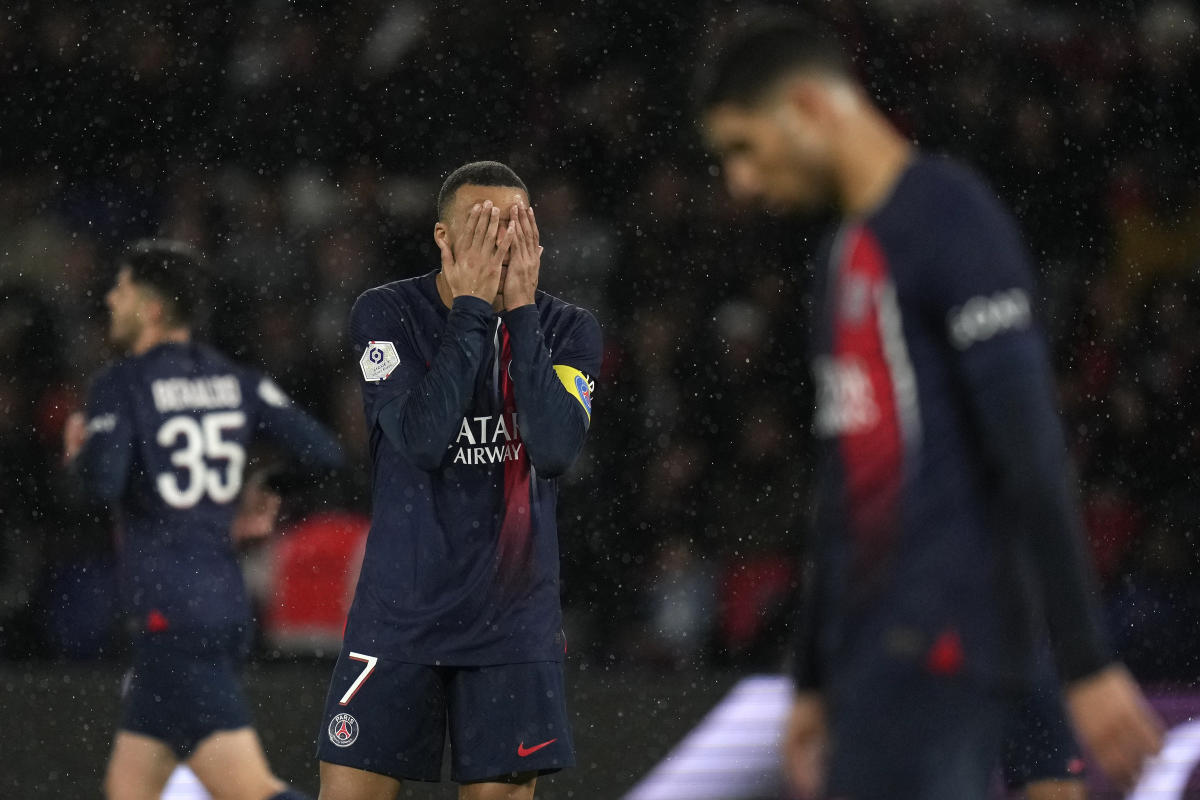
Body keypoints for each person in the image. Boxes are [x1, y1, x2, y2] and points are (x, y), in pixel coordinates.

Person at [695, 13, 1164, 799]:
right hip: (878, 661)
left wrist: (1086, 658)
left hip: (946, 642)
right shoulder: (845, 258)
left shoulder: (952, 220)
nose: (739, 181)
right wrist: (813, 677)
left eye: (744, 148)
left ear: (809, 106)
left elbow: (1032, 451)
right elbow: (844, 493)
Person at [316, 161, 602, 800]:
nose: (501, 244)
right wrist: (472, 310)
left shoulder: (567, 329)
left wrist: (520, 316)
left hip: (511, 629)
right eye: (482, 228)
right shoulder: (387, 313)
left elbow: (554, 450)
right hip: (398, 622)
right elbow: (421, 439)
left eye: (516, 227)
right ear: (443, 239)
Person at [63, 239, 344, 800]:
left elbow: (103, 483)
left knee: (252, 789)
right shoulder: (234, 380)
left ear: (152, 308)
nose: (109, 300)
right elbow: (324, 454)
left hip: (172, 613)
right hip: (216, 602)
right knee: (129, 789)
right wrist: (262, 489)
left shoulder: (122, 385)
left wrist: (80, 455)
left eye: (120, 290)